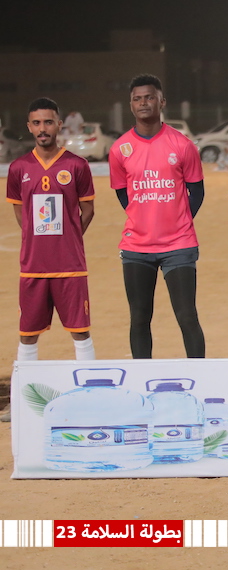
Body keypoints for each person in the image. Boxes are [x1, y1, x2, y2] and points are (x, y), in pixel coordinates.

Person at [109, 74, 206, 358]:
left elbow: (197, 192)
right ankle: (142, 377)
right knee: (139, 318)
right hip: (137, 247)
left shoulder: (182, 145)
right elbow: (122, 194)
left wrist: (178, 220)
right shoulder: (119, 149)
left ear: (161, 101)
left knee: (187, 316)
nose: (143, 103)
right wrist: (143, 217)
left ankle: (200, 377)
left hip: (179, 245)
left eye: (149, 97)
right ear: (131, 105)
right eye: (137, 99)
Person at [6, 98, 96, 361]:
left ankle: (88, 382)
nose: (42, 128)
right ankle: (27, 386)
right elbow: (20, 212)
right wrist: (36, 236)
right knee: (27, 334)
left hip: (70, 265)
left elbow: (88, 210)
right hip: (33, 265)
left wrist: (69, 236)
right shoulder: (18, 168)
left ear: (59, 125)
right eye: (36, 123)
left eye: (48, 122)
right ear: (29, 127)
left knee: (80, 331)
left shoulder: (77, 165)